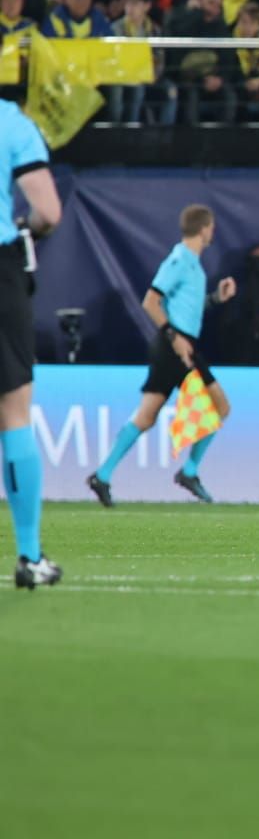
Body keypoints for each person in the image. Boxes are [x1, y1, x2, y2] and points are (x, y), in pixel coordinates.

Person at [86, 204, 236, 508]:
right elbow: (151, 301)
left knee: (147, 415)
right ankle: (190, 471)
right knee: (220, 406)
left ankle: (102, 475)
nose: (213, 233)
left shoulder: (193, 263)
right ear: (204, 228)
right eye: (211, 228)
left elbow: (187, 308)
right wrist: (174, 337)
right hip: (176, 347)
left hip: (179, 344)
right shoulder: (180, 259)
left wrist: (215, 299)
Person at [0, 91, 62, 586]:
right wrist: (28, 229)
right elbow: (49, 211)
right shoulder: (10, 122)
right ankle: (29, 555)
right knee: (14, 412)